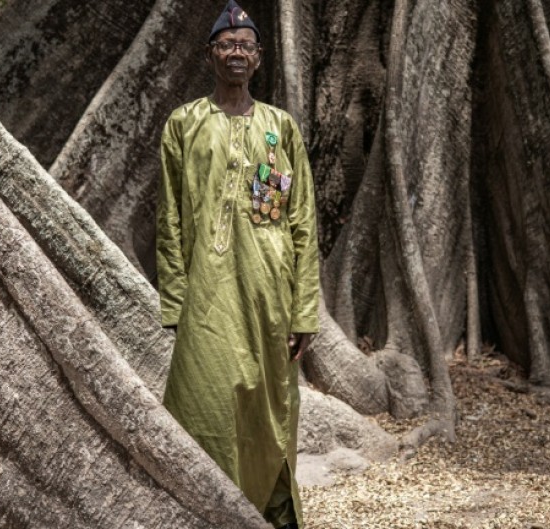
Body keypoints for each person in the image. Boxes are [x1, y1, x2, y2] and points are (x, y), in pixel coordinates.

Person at [156, 2, 320, 528]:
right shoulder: (183, 124)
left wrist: (305, 311)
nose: (236, 53)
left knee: (269, 405)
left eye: (245, 45)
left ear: (258, 58)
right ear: (210, 55)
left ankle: (274, 512)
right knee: (200, 400)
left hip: (270, 295)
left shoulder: (281, 127)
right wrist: (176, 298)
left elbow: (302, 223)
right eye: (227, 45)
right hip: (206, 297)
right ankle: (208, 509)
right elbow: (170, 220)